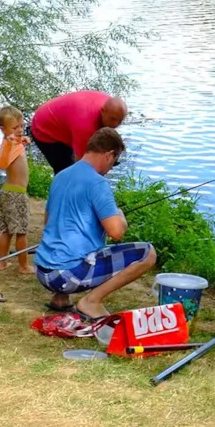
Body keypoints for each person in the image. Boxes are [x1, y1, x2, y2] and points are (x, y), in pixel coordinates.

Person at [34, 127, 156, 319]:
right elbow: (116, 232)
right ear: (109, 155)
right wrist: (121, 218)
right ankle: (91, 302)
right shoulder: (97, 183)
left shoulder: (61, 176)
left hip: (43, 272)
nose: (110, 168)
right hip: (67, 276)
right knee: (148, 254)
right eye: (114, 163)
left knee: (72, 244)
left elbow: (49, 222)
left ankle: (60, 299)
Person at [29, 91, 127, 175]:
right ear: (102, 111)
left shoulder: (112, 108)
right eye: (112, 119)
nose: (116, 124)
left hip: (67, 120)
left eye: (120, 120)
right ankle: (62, 195)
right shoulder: (85, 125)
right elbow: (81, 164)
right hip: (44, 128)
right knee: (67, 171)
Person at [0, 106, 32, 273]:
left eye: (21, 126)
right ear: (3, 129)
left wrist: (21, 140)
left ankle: (2, 262)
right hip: (15, 194)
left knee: (8, 230)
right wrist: (11, 143)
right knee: (21, 231)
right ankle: (23, 266)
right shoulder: (7, 144)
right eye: (14, 127)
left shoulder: (14, 142)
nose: (19, 130)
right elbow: (2, 164)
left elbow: (16, 146)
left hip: (11, 192)